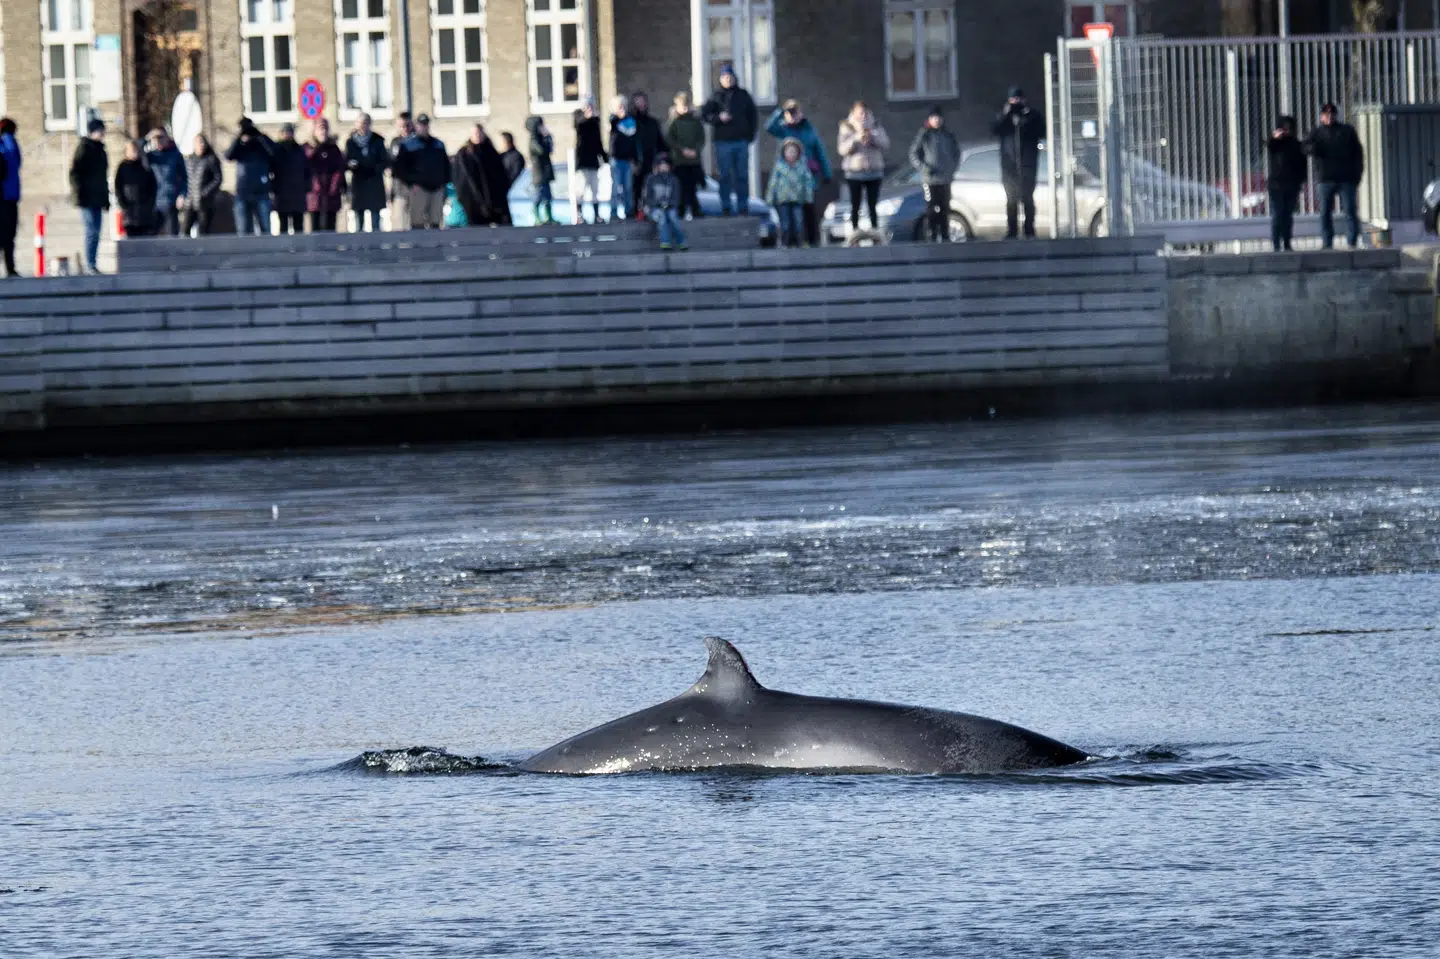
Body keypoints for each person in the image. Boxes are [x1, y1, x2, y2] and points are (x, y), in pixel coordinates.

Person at [766, 99, 831, 245]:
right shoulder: (783, 129)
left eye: (795, 112)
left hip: (807, 176)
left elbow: (820, 152)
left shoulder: (809, 130)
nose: (793, 116)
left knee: (809, 209)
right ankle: (791, 242)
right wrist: (781, 112)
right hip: (787, 181)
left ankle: (812, 240)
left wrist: (827, 173)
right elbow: (769, 127)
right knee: (789, 216)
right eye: (791, 113)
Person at [1305, 102, 1365, 250]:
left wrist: (1357, 175)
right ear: (1321, 117)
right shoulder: (1317, 132)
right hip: (1325, 179)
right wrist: (1313, 148)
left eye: (1332, 114)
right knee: (1325, 212)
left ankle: (1352, 241)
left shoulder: (1347, 131)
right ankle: (1327, 243)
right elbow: (1305, 147)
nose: (1329, 117)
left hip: (1346, 178)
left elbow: (1358, 154)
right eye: (1326, 114)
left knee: (1350, 210)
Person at [701, 63, 758, 216]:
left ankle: (743, 206)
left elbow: (753, 116)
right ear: (721, 79)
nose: (728, 80)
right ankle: (726, 206)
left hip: (741, 141)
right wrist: (718, 118)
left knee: (742, 176)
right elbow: (704, 115)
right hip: (723, 142)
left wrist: (750, 136)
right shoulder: (716, 96)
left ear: (735, 78)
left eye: (730, 77)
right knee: (725, 175)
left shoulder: (743, 95)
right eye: (725, 77)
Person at [992, 86, 1043, 239]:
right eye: (1013, 99)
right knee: (1011, 199)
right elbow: (994, 129)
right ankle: (1012, 230)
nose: (1016, 103)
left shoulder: (1032, 116)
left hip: (1027, 165)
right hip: (1009, 166)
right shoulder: (1004, 118)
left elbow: (1041, 130)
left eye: (1019, 99)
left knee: (1027, 198)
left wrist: (1024, 118)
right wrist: (1006, 114)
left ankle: (1029, 230)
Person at [909, 106, 961, 242]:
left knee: (945, 207)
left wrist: (951, 168)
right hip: (930, 179)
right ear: (929, 119)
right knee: (931, 208)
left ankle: (945, 234)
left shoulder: (948, 135)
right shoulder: (924, 135)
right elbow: (914, 154)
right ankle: (932, 234)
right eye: (933, 118)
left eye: (938, 117)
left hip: (945, 179)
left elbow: (956, 153)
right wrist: (924, 168)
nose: (936, 120)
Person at [837, 101, 888, 233]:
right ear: (854, 113)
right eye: (860, 113)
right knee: (855, 204)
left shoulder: (875, 125)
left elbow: (885, 144)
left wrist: (872, 138)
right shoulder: (847, 127)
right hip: (854, 172)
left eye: (865, 112)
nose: (863, 115)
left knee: (873, 205)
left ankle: (874, 230)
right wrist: (855, 139)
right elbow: (842, 149)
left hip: (874, 171)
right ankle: (855, 230)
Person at [394, 113, 450, 229]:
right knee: (417, 222)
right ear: (416, 126)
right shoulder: (408, 145)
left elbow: (446, 166)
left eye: (425, 124)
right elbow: (400, 169)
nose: (424, 127)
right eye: (421, 125)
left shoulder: (438, 144)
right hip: (418, 188)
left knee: (435, 221)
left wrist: (444, 183)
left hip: (437, 188)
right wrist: (410, 183)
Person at [69, 118, 110, 273]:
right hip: (86, 198)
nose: (103, 133)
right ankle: (90, 263)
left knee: (96, 231)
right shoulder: (84, 148)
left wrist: (106, 198)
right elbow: (75, 173)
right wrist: (78, 193)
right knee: (91, 230)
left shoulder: (101, 151)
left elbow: (103, 178)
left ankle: (92, 262)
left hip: (98, 197)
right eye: (100, 130)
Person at [452, 124, 513, 227]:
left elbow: (499, 175)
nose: (478, 136)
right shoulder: (464, 154)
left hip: (492, 199)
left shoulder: (490, 152)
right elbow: (460, 178)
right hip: (472, 201)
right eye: (475, 133)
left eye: (480, 133)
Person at [224, 116, 274, 235]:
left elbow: (274, 152)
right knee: (243, 231)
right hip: (242, 192)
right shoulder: (240, 146)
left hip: (261, 192)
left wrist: (260, 136)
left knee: (265, 230)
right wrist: (239, 138)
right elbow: (228, 156)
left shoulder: (262, 143)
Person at [1266, 115, 1307, 252]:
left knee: (1288, 216)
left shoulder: (1297, 145)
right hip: (1276, 185)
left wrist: (1300, 181)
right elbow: (1270, 146)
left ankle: (1287, 243)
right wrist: (1274, 138)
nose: (1287, 130)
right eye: (1284, 128)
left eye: (1289, 127)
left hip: (1292, 185)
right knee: (1278, 214)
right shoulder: (1276, 144)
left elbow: (1302, 165)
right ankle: (1276, 244)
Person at [766, 137, 815, 248]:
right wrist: (770, 197)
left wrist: (808, 197)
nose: (791, 154)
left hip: (797, 199)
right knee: (785, 223)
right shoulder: (779, 167)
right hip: (783, 199)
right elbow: (773, 183)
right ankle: (785, 242)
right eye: (789, 152)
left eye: (794, 152)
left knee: (798, 221)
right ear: (784, 153)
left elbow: (808, 182)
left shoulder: (802, 167)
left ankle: (798, 242)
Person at [666, 91, 706, 219]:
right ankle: (681, 209)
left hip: (694, 161)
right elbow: (670, 139)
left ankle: (695, 209)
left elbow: (701, 138)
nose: (685, 108)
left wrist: (695, 150)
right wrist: (682, 150)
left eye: (686, 105)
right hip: (679, 161)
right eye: (682, 105)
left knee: (692, 186)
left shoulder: (696, 121)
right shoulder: (674, 122)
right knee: (680, 187)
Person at [346, 112, 388, 232]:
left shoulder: (377, 141)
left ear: (370, 124)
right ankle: (360, 242)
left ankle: (376, 242)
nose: (363, 126)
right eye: (360, 123)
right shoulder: (351, 142)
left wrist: (373, 168)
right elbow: (347, 160)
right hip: (359, 183)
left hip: (374, 183)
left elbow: (384, 161)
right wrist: (352, 165)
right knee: (359, 220)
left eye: (365, 123)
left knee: (375, 221)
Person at [630, 91, 668, 219]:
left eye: (643, 101)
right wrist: (632, 160)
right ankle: (635, 212)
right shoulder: (630, 122)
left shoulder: (652, 122)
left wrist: (663, 158)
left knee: (650, 187)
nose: (641, 104)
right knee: (635, 188)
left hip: (650, 160)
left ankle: (650, 211)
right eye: (638, 101)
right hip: (635, 161)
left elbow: (660, 141)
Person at [305, 118, 347, 233]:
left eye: (325, 129)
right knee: (315, 228)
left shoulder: (333, 149)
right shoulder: (308, 148)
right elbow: (306, 167)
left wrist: (335, 186)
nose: (323, 132)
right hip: (314, 194)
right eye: (320, 129)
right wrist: (315, 148)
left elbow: (339, 169)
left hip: (331, 194)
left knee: (330, 227)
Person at [145, 129, 187, 237]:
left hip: (170, 201)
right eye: (155, 138)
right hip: (154, 202)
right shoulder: (151, 156)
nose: (158, 141)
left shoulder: (175, 155)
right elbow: (135, 152)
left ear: (167, 138)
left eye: (161, 138)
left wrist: (182, 195)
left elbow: (185, 178)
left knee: (172, 234)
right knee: (151, 235)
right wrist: (146, 138)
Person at [270, 122, 310, 234]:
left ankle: (299, 246)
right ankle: (283, 246)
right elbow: (271, 170)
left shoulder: (299, 151)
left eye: (289, 132)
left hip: (298, 195)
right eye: (285, 132)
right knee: (283, 227)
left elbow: (307, 171)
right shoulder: (276, 151)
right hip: (282, 195)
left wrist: (306, 187)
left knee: (299, 227)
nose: (287, 135)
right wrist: (273, 189)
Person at [572, 99, 608, 224]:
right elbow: (578, 125)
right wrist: (587, 116)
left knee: (595, 189)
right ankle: (579, 215)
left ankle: (597, 215)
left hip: (593, 161)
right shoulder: (579, 120)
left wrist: (604, 157)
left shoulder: (595, 123)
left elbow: (598, 141)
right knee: (581, 189)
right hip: (582, 161)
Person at [114, 140, 157, 238]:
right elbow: (118, 187)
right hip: (129, 212)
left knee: (145, 238)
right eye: (132, 151)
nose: (135, 153)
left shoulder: (145, 166)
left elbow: (153, 186)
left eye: (136, 151)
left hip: (145, 212)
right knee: (131, 238)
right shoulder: (122, 167)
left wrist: (150, 204)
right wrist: (123, 204)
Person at [182, 134, 223, 236]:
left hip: (205, 202)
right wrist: (183, 195)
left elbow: (217, 179)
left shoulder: (211, 159)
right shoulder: (189, 160)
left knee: (203, 231)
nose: (201, 145)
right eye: (198, 142)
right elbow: (183, 178)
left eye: (203, 142)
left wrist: (205, 192)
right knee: (185, 230)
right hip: (190, 201)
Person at [642, 154, 685, 250]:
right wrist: (658, 204)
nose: (664, 167)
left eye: (666, 165)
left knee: (673, 217)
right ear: (657, 166)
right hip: (654, 208)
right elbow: (647, 198)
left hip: (670, 207)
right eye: (661, 164)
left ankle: (681, 241)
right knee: (661, 216)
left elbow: (676, 198)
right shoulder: (651, 179)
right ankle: (665, 242)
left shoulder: (674, 180)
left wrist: (668, 204)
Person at [608, 96, 638, 221]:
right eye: (619, 107)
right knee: (615, 187)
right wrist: (617, 116)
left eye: (623, 106)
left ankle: (628, 211)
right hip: (616, 159)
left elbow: (633, 141)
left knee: (628, 187)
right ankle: (614, 212)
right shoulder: (613, 121)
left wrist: (635, 159)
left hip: (628, 160)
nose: (622, 109)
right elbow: (612, 124)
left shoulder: (631, 122)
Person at [388, 111, 417, 231]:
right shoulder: (395, 142)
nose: (405, 129)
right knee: (399, 223)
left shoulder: (418, 141)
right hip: (399, 189)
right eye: (402, 126)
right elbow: (391, 163)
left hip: (415, 188)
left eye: (407, 125)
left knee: (415, 223)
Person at [526, 115, 556, 225]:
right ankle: (537, 217)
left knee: (548, 196)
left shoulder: (542, 138)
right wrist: (546, 137)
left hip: (545, 173)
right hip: (539, 173)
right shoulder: (534, 140)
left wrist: (548, 137)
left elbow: (550, 150)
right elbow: (541, 151)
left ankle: (549, 217)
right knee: (538, 196)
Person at [0, 117, 21, 277]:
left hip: (3, 195)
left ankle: (10, 267)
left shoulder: (3, 145)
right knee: (9, 234)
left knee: (4, 233)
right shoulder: (13, 144)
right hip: (11, 196)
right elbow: (18, 163)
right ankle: (10, 267)